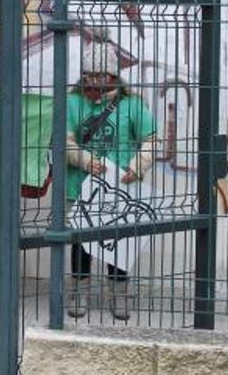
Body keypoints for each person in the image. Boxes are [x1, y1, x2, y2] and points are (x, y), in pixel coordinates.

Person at [63, 41, 159, 322]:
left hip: (120, 188)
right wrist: (83, 160)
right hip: (80, 186)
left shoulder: (132, 104)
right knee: (81, 241)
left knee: (118, 243)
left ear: (114, 76)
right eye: (89, 79)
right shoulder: (71, 102)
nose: (94, 87)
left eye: (101, 79)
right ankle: (79, 291)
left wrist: (136, 167)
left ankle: (119, 294)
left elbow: (151, 140)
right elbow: (63, 140)